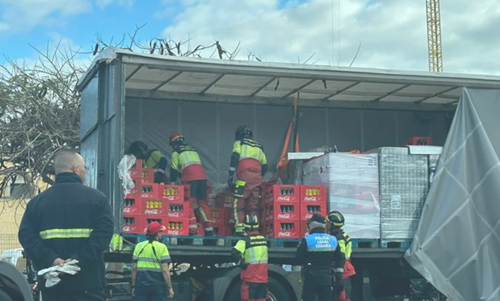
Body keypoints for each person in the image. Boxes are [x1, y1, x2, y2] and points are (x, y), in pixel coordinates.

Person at [18, 149, 114, 301]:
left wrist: (52, 258)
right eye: (84, 168)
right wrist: (78, 259)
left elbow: (26, 236)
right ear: (76, 169)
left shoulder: (36, 204)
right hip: (88, 285)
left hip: (53, 287)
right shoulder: (98, 200)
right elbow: (103, 236)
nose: (85, 171)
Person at [168, 132, 213, 236]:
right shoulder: (193, 151)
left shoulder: (176, 152)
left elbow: (174, 170)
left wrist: (172, 185)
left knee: (188, 203)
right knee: (203, 204)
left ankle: (192, 230)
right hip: (202, 179)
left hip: (190, 179)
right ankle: (209, 230)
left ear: (173, 144)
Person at [227, 125, 268, 235]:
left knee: (239, 202)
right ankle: (253, 229)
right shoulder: (259, 146)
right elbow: (265, 165)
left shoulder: (239, 143)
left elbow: (235, 157)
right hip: (257, 177)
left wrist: (230, 174)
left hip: (244, 175)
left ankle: (240, 229)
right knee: (254, 204)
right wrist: (259, 176)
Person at [295, 213, 345, 301]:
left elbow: (298, 258)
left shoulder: (308, 240)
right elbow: (340, 258)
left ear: (312, 225)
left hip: (311, 278)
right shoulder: (333, 240)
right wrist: (339, 277)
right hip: (327, 278)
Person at [131, 221, 174, 301]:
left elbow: (134, 269)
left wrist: (133, 286)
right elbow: (165, 269)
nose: (162, 234)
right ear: (157, 234)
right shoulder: (162, 247)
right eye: (161, 232)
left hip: (141, 286)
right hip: (157, 286)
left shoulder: (138, 246)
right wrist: (169, 287)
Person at [231, 214, 268, 301]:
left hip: (250, 279)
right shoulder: (263, 240)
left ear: (245, 227)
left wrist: (240, 263)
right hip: (263, 279)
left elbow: (234, 252)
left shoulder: (245, 241)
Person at [327, 211, 355, 301]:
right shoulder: (344, 236)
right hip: (345, 268)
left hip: (342, 270)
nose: (325, 224)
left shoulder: (338, 239)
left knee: (342, 296)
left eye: (327, 222)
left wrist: (338, 275)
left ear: (333, 225)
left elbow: (341, 256)